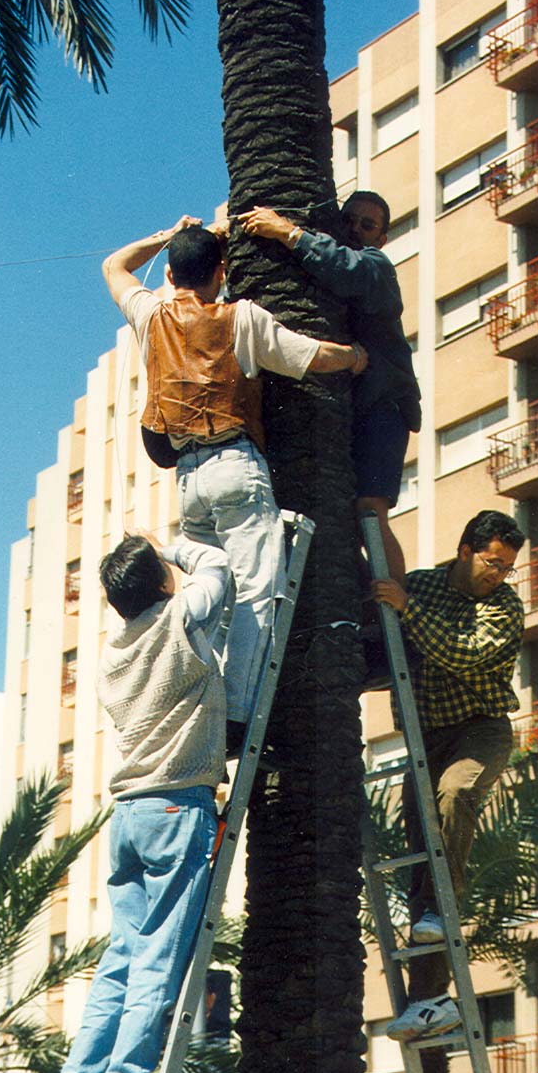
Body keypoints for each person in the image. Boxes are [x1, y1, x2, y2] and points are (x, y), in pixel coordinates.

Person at [102, 217, 367, 752]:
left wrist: (165, 235)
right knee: (255, 594)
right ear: (221, 272)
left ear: (172, 273)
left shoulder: (150, 314)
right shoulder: (240, 317)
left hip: (188, 478)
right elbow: (312, 355)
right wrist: (357, 357)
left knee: (213, 600)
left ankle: (204, 709)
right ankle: (236, 721)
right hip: (235, 467)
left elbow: (114, 265)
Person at [53, 531, 231, 1073]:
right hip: (177, 810)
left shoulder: (110, 653)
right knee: (159, 954)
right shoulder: (179, 619)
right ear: (160, 583)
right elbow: (220, 568)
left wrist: (155, 562)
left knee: (124, 954)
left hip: (129, 816)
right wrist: (176, 544)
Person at [372, 510, 526, 1041]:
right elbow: (387, 644)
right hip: (425, 735)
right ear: (465, 550)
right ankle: (429, 1000)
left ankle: (441, 914)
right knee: (423, 852)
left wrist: (407, 610)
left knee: (456, 793)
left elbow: (464, 655)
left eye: (506, 567)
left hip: (480, 730)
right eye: (492, 563)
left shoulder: (505, 607)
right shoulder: (422, 586)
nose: (498, 575)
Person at [238, 190, 421, 585]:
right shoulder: (336, 270)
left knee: (370, 511)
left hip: (385, 407)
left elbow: (344, 267)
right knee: (351, 521)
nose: (355, 229)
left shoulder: (376, 267)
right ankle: (367, 603)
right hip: (358, 407)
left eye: (367, 225)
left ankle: (397, 602)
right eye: (349, 220)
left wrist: (286, 232)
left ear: (382, 239)